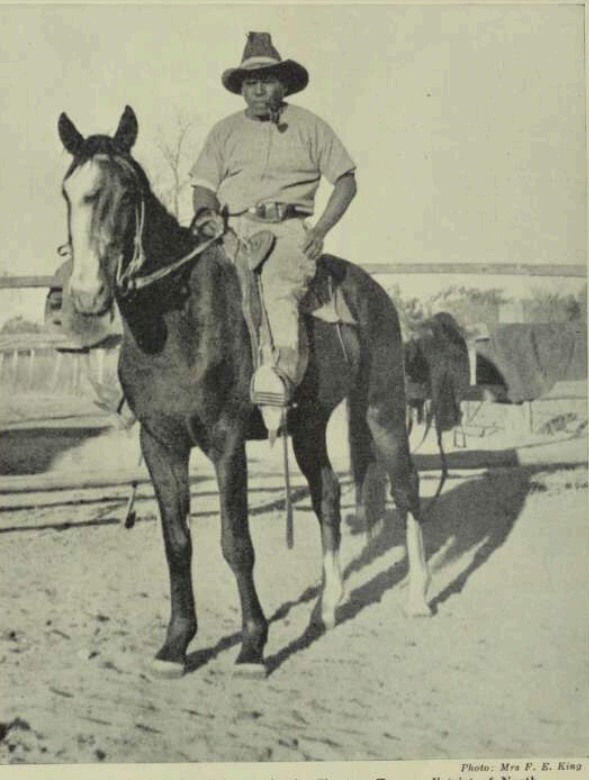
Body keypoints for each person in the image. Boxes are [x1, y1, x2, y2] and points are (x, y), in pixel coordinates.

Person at [189, 32, 357, 406]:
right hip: (231, 228)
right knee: (189, 284)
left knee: (278, 288)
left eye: (266, 81)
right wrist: (213, 223)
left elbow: (346, 181)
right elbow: (203, 187)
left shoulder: (311, 127)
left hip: (285, 231)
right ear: (242, 89)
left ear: (283, 84)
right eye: (250, 83)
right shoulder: (224, 131)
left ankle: (279, 375)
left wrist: (321, 228)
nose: (258, 90)